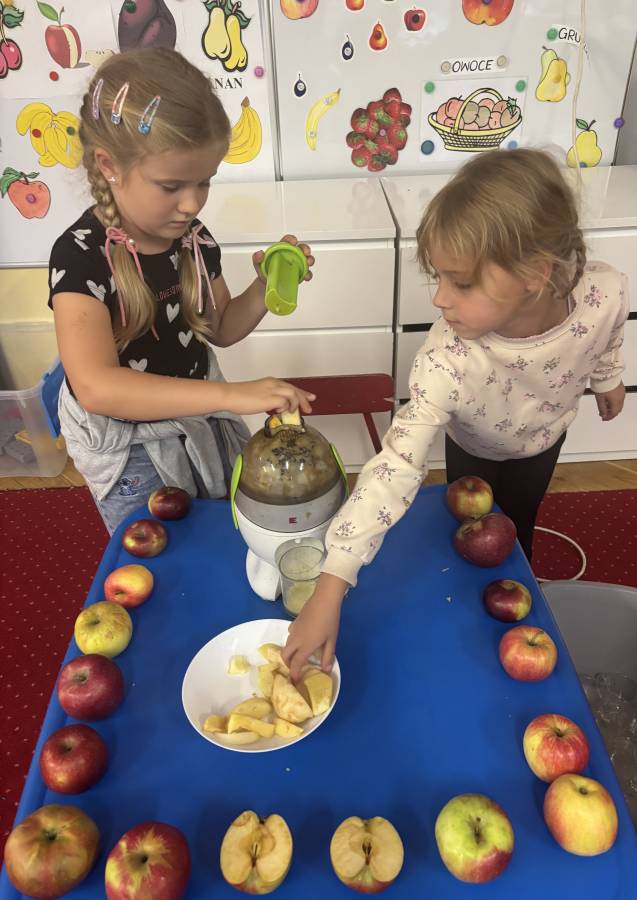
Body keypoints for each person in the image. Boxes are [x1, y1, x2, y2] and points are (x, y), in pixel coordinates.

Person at [282, 147, 629, 681]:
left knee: (519, 527)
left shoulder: (604, 291)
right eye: (438, 278)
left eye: (461, 283)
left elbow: (607, 334)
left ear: (535, 274)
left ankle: (519, 595)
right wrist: (333, 581)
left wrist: (607, 377)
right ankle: (474, 610)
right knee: (468, 534)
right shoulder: (447, 357)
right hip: (473, 446)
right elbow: (394, 467)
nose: (440, 299)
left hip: (544, 438)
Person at [48, 48, 314, 534]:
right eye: (171, 186)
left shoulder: (193, 238)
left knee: (216, 530)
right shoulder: (80, 256)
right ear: (108, 165)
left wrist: (266, 285)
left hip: (197, 417)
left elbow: (222, 327)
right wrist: (229, 395)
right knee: (163, 548)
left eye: (204, 182)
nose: (191, 204)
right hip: (130, 448)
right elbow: (96, 387)